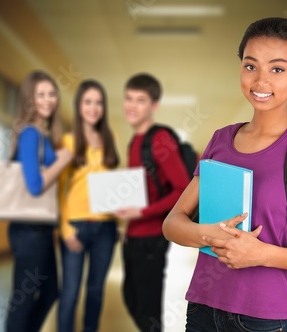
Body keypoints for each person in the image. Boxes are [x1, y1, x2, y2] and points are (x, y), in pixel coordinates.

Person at [162, 17, 287, 332]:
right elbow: (172, 223)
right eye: (250, 66)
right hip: (203, 308)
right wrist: (211, 234)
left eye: (277, 69)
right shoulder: (220, 140)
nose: (260, 81)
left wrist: (261, 254)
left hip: (268, 318)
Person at [114, 73, 190, 331]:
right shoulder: (135, 141)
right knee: (132, 299)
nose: (132, 106)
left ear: (154, 106)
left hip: (151, 239)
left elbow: (182, 190)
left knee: (147, 313)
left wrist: (142, 212)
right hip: (133, 236)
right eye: (128, 98)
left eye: (140, 100)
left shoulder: (160, 140)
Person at [6, 70, 72, 332]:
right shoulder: (31, 134)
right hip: (29, 230)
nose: (48, 100)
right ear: (29, 99)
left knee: (48, 293)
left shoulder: (42, 137)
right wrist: (63, 161)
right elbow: (34, 186)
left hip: (40, 229)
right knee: (23, 301)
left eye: (52, 94)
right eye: (40, 94)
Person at [57, 80, 120, 332]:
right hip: (76, 225)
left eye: (98, 103)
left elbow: (113, 185)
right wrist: (64, 229)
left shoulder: (110, 138)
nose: (93, 108)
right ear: (79, 106)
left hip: (106, 226)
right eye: (88, 102)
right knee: (70, 292)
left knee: (95, 291)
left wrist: (120, 220)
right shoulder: (68, 141)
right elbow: (59, 189)